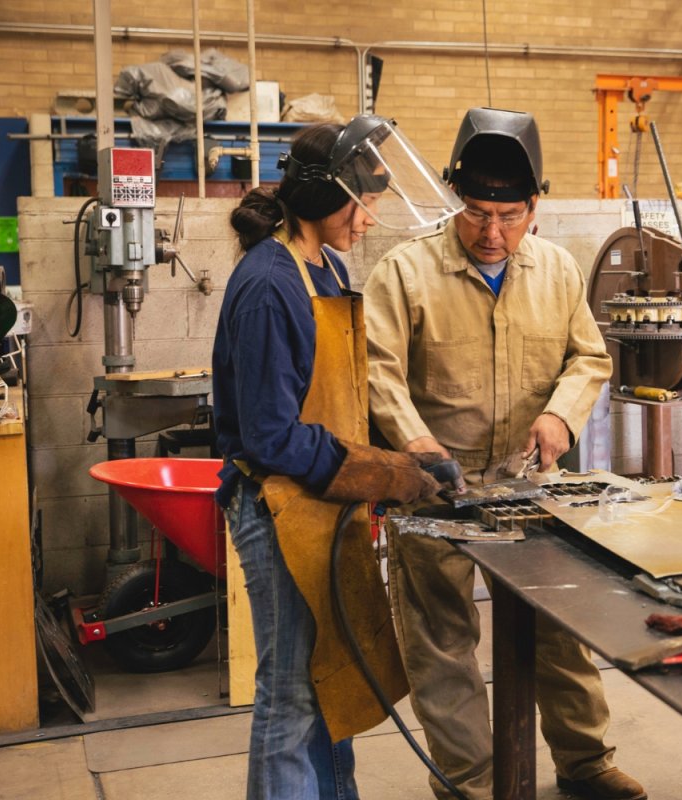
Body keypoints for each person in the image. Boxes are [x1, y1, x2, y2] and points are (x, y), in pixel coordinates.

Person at [365, 107, 647, 800]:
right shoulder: (404, 273)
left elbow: (588, 358)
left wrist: (560, 416)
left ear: (536, 208)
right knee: (441, 639)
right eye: (478, 213)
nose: (492, 233)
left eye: (510, 215)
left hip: (531, 484)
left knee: (558, 625)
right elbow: (376, 369)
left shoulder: (555, 271)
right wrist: (414, 439)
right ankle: (469, 779)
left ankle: (584, 762)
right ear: (457, 199)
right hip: (436, 487)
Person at [213, 116, 463, 800]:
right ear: (326, 200)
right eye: (365, 201)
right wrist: (384, 472)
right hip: (279, 507)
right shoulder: (271, 283)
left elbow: (336, 404)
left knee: (331, 686)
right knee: (291, 696)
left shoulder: (325, 264)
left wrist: (402, 457)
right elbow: (271, 435)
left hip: (322, 504)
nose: (372, 216)